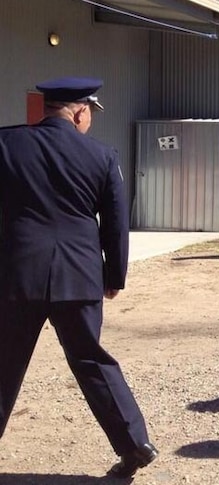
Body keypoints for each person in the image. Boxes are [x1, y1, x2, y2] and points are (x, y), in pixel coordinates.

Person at [0, 77, 157, 478]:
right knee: (91, 359)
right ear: (81, 112)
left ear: (45, 108)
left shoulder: (7, 144)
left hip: (19, 274)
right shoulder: (102, 156)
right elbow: (116, 223)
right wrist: (114, 275)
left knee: (4, 362)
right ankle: (135, 443)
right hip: (79, 274)